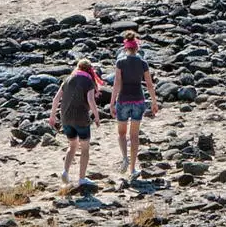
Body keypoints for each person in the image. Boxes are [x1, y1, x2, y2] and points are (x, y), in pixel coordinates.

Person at [110, 33, 159, 180]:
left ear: (126, 47)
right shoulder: (143, 63)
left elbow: (117, 84)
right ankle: (132, 168)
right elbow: (149, 84)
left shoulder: (120, 62)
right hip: (138, 100)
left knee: (121, 134)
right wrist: (154, 101)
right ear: (137, 47)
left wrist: (112, 102)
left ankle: (125, 157)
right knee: (134, 136)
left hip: (123, 100)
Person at [48, 60, 101, 187]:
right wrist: (97, 116)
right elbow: (90, 100)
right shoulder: (88, 81)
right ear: (89, 70)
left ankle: (65, 172)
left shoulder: (67, 79)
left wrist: (52, 116)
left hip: (65, 117)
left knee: (72, 145)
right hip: (81, 118)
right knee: (85, 148)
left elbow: (56, 99)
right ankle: (82, 178)